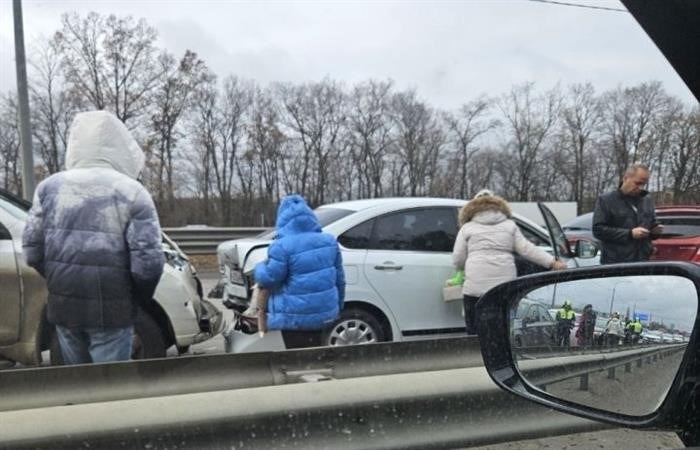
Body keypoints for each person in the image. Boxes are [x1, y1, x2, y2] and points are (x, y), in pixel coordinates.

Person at [22, 110, 165, 365]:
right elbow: (149, 264)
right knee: (110, 390)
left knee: (78, 386)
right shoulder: (132, 192)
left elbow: (32, 252)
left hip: (64, 306)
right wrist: (136, 297)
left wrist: (61, 278)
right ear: (120, 147)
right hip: (113, 309)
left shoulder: (48, 189)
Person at [452, 189, 567, 335]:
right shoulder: (509, 225)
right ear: (497, 205)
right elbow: (527, 249)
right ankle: (501, 351)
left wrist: (464, 267)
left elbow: (458, 259)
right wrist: (553, 263)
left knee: (475, 329)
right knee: (502, 327)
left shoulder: (467, 228)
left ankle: (476, 350)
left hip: (475, 287)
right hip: (503, 287)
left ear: (472, 207)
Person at [253, 194, 345, 345]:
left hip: (293, 316)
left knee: (297, 357)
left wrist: (259, 268)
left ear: (282, 220)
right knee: (317, 351)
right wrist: (338, 306)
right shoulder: (329, 242)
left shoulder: (281, 246)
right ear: (311, 217)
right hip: (324, 313)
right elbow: (340, 280)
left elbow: (269, 278)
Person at [592, 163, 663, 264]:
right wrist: (629, 234)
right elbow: (598, 230)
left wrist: (655, 230)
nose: (641, 188)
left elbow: (651, 224)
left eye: (644, 184)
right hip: (616, 263)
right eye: (638, 183)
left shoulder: (647, 200)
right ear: (625, 178)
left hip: (643, 261)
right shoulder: (606, 200)